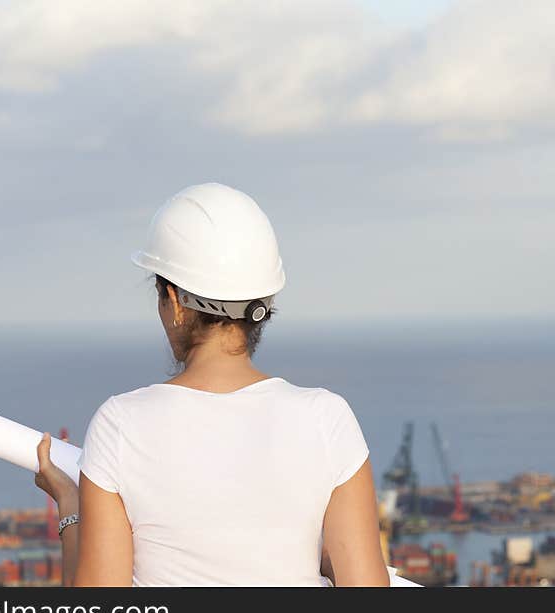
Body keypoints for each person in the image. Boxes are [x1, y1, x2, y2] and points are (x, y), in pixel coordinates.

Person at [35, 182, 389, 586]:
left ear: (173, 301)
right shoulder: (328, 419)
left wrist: (70, 506)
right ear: (264, 302)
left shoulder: (120, 424)